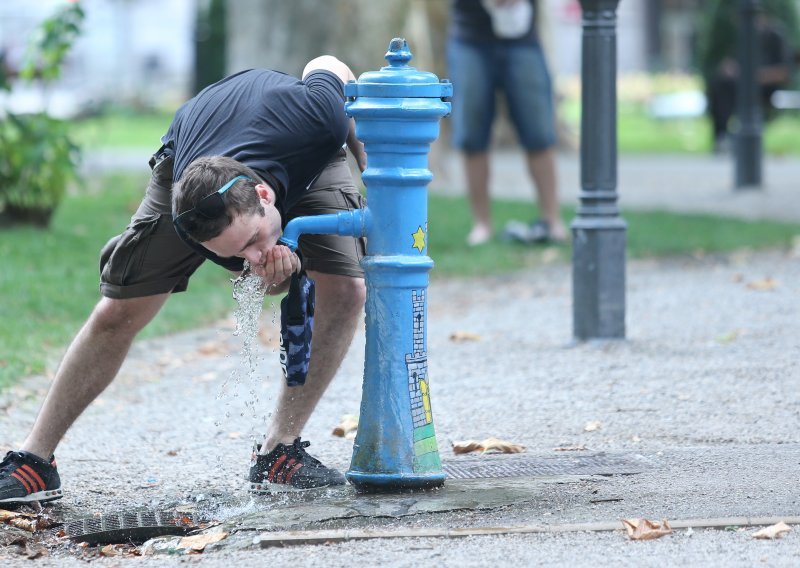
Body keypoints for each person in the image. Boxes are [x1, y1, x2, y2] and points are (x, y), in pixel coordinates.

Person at [0, 55, 368, 506]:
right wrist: (264, 262)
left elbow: (329, 62)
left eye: (254, 239)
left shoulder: (316, 116)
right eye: (237, 253)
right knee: (120, 308)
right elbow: (263, 282)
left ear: (265, 196)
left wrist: (363, 156)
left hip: (303, 151)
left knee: (347, 287)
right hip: (188, 165)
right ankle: (33, 461)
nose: (251, 255)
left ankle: (279, 451)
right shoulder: (190, 220)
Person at [447, 0, 566, 246]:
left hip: (524, 41)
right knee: (472, 137)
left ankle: (552, 221)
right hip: (469, 38)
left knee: (540, 132)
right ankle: (481, 225)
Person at [704, 13, 794, 153]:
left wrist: (754, 76)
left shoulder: (775, 36)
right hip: (742, 85)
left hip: (766, 88)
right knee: (719, 85)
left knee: (728, 89)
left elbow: (784, 72)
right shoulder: (747, 39)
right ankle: (722, 137)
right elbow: (736, 64)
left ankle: (732, 138)